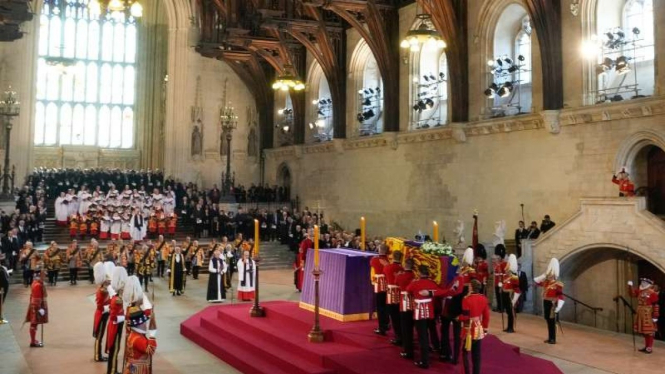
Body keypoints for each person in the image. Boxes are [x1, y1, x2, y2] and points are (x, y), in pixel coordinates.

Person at [407, 265, 439, 369]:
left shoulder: (415, 283)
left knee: (422, 336)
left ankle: (424, 361)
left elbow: (408, 289)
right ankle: (433, 348)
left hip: (419, 312)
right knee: (429, 331)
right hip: (429, 311)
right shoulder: (432, 283)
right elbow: (439, 291)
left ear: (420, 273)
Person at [459, 279, 490, 374]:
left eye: (469, 286)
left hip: (468, 329)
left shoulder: (466, 299)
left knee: (465, 353)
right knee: (476, 355)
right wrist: (485, 328)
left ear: (471, 287)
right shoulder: (483, 298)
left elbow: (465, 316)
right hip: (478, 328)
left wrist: (458, 317)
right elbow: (486, 316)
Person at [534, 258, 565, 344]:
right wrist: (544, 275)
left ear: (554, 275)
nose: (549, 276)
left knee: (552, 321)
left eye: (551, 274)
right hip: (546, 302)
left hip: (553, 304)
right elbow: (536, 281)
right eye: (549, 274)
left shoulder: (558, 284)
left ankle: (553, 338)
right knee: (547, 320)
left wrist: (559, 306)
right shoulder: (546, 283)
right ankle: (550, 337)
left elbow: (561, 296)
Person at [627, 277, 660, 353]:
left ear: (648, 284)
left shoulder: (652, 293)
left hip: (648, 313)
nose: (642, 284)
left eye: (644, 283)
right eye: (642, 282)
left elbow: (656, 305)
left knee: (649, 331)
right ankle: (646, 345)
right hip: (640, 313)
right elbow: (632, 294)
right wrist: (630, 286)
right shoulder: (640, 291)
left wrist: (655, 316)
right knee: (644, 331)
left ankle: (649, 347)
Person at [123, 304, 157, 374]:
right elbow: (150, 350)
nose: (145, 325)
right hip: (139, 369)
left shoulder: (133, 334)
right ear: (139, 325)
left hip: (133, 366)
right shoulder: (138, 339)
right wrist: (152, 335)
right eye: (144, 323)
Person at [106, 267, 128, 374]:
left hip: (117, 325)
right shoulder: (117, 300)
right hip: (115, 325)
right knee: (114, 350)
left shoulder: (117, 298)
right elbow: (114, 317)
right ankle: (112, 371)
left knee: (116, 349)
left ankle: (112, 370)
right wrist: (125, 317)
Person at [93, 262, 113, 362]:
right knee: (99, 336)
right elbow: (100, 305)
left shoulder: (104, 289)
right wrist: (109, 307)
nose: (109, 281)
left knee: (100, 335)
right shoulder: (103, 290)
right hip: (101, 314)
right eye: (108, 280)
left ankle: (98, 354)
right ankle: (97, 355)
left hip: (104, 314)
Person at [395, 259, 415, 359]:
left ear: (405, 265)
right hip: (415, 304)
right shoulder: (415, 276)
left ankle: (408, 350)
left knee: (406, 328)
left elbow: (396, 282)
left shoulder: (401, 276)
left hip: (404, 303)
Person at [384, 250, 404, 346]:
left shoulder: (388, 267)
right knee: (401, 316)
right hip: (401, 294)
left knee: (394, 317)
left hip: (391, 294)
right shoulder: (403, 268)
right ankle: (403, 335)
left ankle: (398, 337)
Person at [370, 244, 390, 335]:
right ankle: (387, 323)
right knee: (386, 306)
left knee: (380, 306)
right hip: (388, 284)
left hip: (379, 285)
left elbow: (371, 263)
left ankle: (382, 328)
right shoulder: (389, 260)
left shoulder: (375, 259)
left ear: (379, 250)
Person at [25, 268, 48, 347]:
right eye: (43, 274)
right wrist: (40, 308)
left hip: (35, 306)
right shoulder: (38, 285)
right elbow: (37, 298)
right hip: (36, 307)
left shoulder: (37, 282)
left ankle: (33, 340)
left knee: (34, 324)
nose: (45, 275)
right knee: (34, 324)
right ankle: (33, 342)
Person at [500, 254, 521, 333]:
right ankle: (508, 326)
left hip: (510, 296)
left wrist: (514, 300)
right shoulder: (505, 276)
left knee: (510, 312)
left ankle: (511, 327)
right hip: (505, 294)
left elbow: (517, 289)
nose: (506, 270)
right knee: (508, 312)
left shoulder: (514, 277)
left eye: (507, 269)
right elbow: (504, 285)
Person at [492, 244, 507, 312]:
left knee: (501, 295)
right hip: (496, 281)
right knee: (497, 294)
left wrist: (502, 282)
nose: (497, 259)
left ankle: (502, 307)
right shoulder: (496, 264)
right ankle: (499, 306)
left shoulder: (504, 263)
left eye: (498, 257)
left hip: (501, 281)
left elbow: (504, 273)